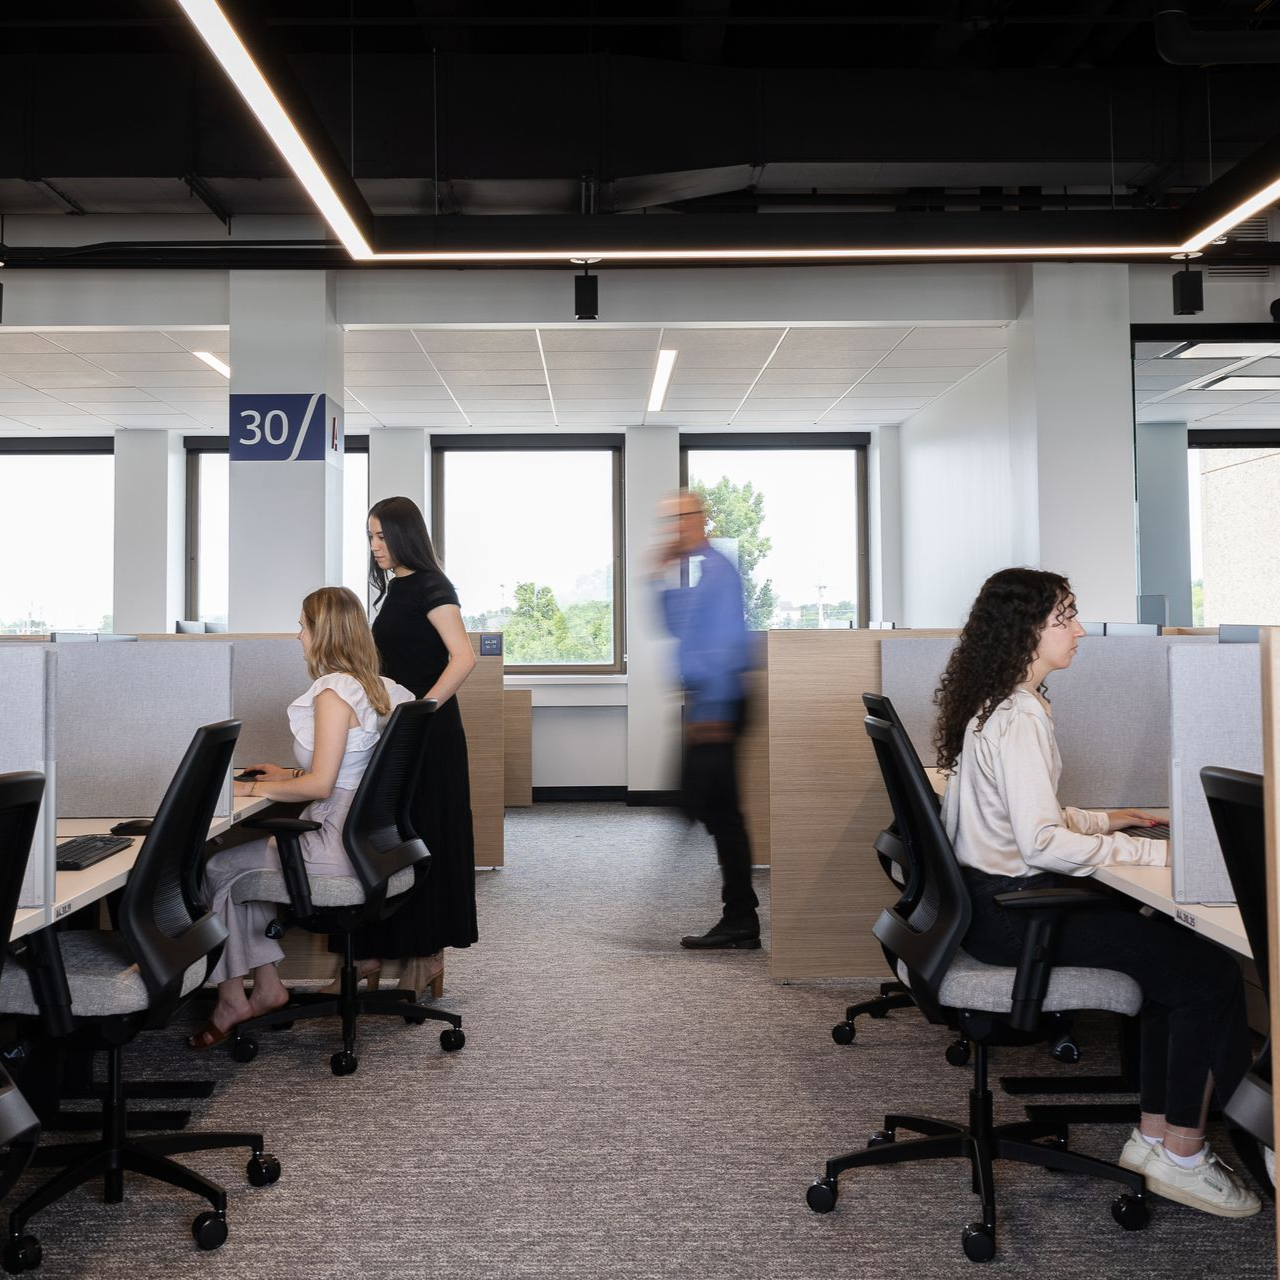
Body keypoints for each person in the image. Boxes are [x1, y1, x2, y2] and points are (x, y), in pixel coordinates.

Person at [936, 566, 1260, 1218]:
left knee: (1173, 950)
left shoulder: (992, 706)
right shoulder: (1021, 716)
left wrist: (1116, 820)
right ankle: (1183, 1153)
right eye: (1066, 618)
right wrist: (1146, 852)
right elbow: (1040, 844)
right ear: (1026, 630)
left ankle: (1155, 1139)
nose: (1081, 631)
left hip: (987, 907)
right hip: (1014, 914)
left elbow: (1026, 818)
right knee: (1207, 976)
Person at [189, 586, 414, 1050]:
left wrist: (247, 787)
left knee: (218, 867)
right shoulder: (383, 687)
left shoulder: (334, 694)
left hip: (337, 840)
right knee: (240, 867)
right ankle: (265, 987)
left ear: (323, 632)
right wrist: (287, 773)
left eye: (303, 626)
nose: (298, 636)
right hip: (373, 841)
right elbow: (354, 764)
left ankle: (236, 997)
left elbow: (320, 786)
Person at [339, 495, 479, 996]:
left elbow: (463, 659)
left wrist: (420, 712)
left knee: (428, 835)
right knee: (395, 837)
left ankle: (429, 954)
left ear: (406, 535)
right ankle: (381, 951)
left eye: (382, 536)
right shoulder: (393, 590)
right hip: (399, 732)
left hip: (427, 733)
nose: (376, 546)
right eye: (371, 536)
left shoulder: (431, 585)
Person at [654, 490, 759, 950]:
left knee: (711, 812)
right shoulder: (704, 573)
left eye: (678, 519)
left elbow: (726, 645)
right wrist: (655, 575)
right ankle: (740, 918)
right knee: (717, 814)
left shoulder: (718, 573)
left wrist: (711, 712)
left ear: (698, 520)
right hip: (709, 703)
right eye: (668, 521)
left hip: (718, 704)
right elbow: (675, 625)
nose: (672, 529)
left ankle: (740, 918)